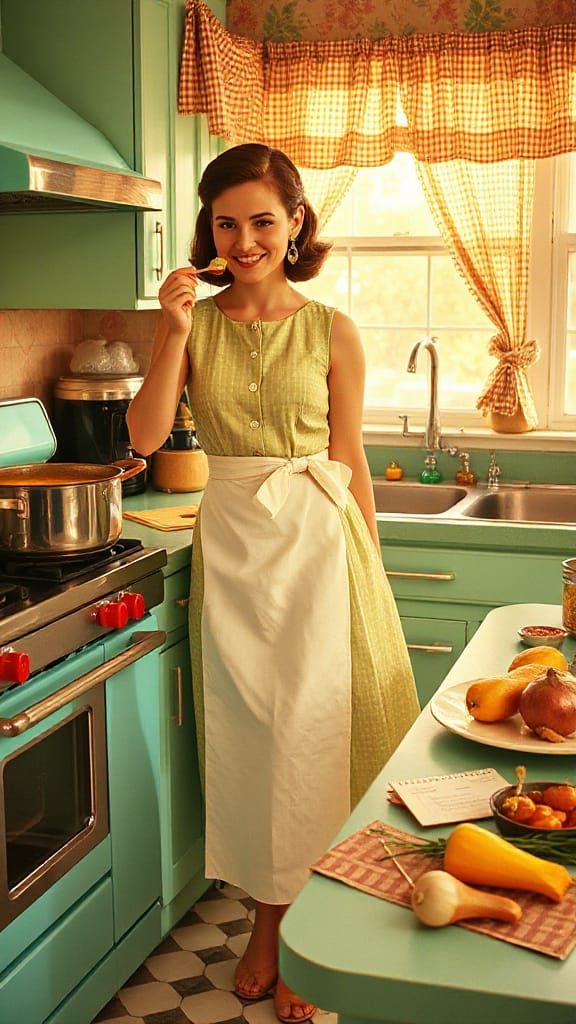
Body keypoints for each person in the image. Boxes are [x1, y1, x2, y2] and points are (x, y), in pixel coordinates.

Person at [127, 143, 420, 1023]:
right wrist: (172, 331)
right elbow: (144, 438)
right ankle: (268, 922)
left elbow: (350, 455)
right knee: (252, 740)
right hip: (237, 545)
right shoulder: (194, 322)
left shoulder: (333, 327)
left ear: (296, 225)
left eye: (263, 220)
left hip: (321, 543)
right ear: (208, 231)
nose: (245, 238)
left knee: (317, 734)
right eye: (227, 222)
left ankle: (308, 929)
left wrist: (372, 559)